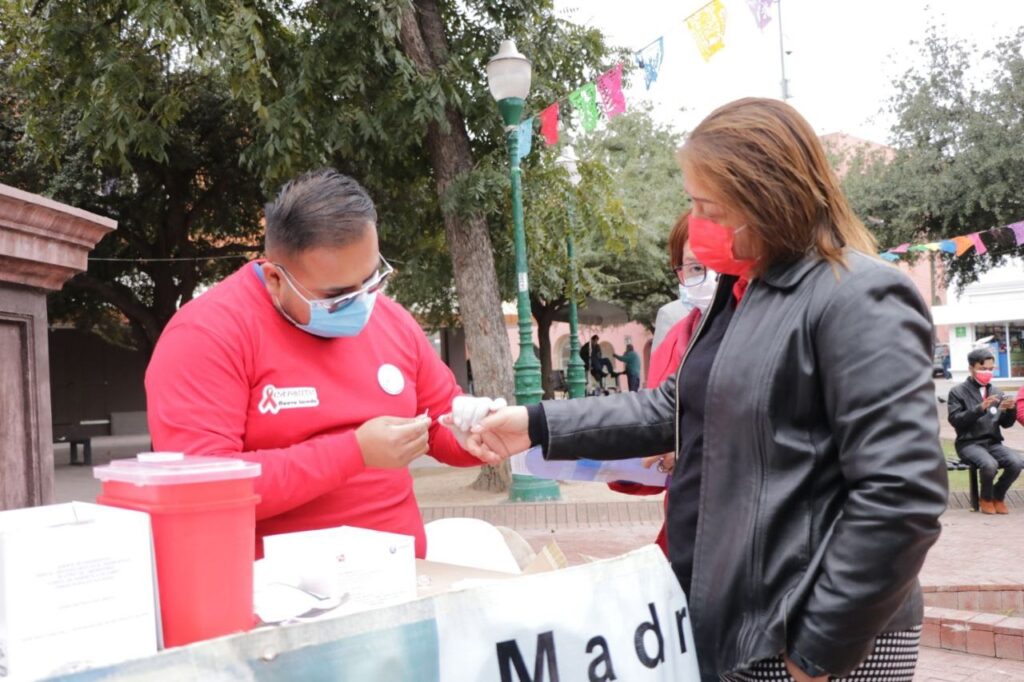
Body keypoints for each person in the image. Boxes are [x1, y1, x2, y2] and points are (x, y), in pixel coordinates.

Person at [464, 98, 948, 682]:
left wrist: (818, 649)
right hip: (736, 619)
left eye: (705, 205)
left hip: (805, 632)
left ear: (766, 198)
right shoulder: (743, 291)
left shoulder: (858, 297)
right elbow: (675, 404)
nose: (695, 222)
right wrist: (536, 426)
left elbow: (902, 493)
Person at [145, 168, 500, 558]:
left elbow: (439, 422)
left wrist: (476, 433)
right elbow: (202, 489)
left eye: (371, 280)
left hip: (400, 577)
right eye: (337, 296)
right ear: (276, 278)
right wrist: (354, 453)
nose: (363, 301)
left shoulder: (391, 320)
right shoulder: (207, 335)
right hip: (275, 597)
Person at [607, 211, 717, 555]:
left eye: (718, 265)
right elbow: (654, 427)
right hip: (689, 530)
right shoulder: (675, 336)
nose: (710, 279)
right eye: (694, 268)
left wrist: (688, 446)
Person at [947, 347, 1021, 514]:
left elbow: (1006, 424)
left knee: (1016, 462)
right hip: (968, 443)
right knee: (989, 464)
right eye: (982, 369)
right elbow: (955, 420)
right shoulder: (957, 392)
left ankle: (998, 495)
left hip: (993, 442)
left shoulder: (997, 391)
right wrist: (980, 408)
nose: (987, 372)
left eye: (990, 369)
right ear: (971, 368)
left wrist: (1010, 410)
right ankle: (986, 498)